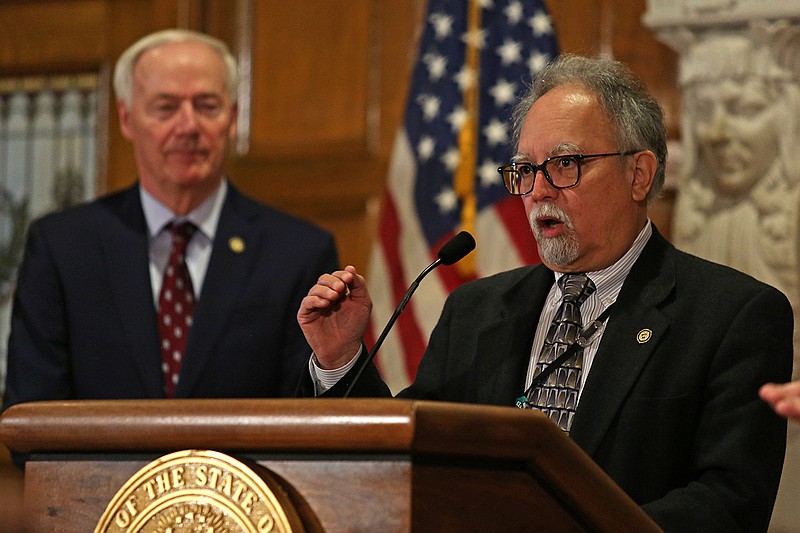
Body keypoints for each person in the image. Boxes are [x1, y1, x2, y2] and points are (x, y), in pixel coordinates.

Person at [297, 54, 793, 532]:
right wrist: (341, 360)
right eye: (526, 170)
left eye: (565, 164)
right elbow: (411, 452)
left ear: (638, 174)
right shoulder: (476, 310)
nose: (538, 191)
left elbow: (728, 504)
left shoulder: (733, 315)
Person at [2, 29, 338, 407]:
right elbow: (29, 419)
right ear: (126, 119)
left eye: (207, 105)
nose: (188, 126)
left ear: (232, 117)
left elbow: (315, 416)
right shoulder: (63, 248)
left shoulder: (297, 253)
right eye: (166, 107)